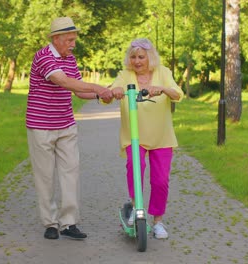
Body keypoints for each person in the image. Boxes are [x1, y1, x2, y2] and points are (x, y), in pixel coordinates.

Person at [26, 17, 113, 240]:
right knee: (44, 176)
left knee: (70, 174)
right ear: (56, 39)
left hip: (65, 124)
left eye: (74, 40)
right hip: (41, 126)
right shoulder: (43, 57)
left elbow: (79, 91)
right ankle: (50, 224)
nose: (73, 44)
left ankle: (69, 223)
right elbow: (64, 82)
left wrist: (100, 94)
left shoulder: (70, 59)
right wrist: (99, 87)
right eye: (70, 40)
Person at [108, 38, 183, 239]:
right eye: (133, 57)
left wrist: (163, 89)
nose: (137, 61)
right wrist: (113, 92)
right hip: (134, 136)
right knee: (135, 166)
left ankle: (158, 221)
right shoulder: (125, 75)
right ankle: (135, 206)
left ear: (150, 57)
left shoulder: (163, 73)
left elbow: (177, 94)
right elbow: (109, 93)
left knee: (160, 180)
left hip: (161, 136)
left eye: (141, 56)